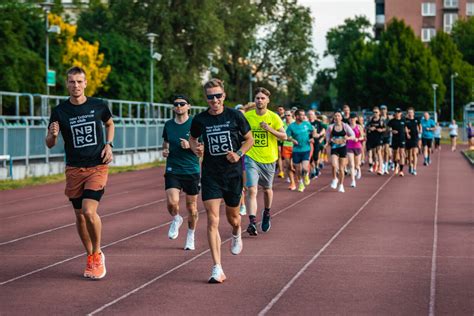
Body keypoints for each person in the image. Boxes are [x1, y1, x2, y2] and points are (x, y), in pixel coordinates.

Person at [45, 66, 114, 280]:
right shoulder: (60, 111)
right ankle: (91, 255)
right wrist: (53, 135)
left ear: (85, 83)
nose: (76, 85)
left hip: (97, 166)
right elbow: (49, 143)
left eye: (79, 81)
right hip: (74, 169)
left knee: (88, 211)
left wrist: (109, 144)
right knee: (79, 217)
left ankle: (99, 252)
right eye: (72, 82)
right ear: (67, 84)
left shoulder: (98, 106)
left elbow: (110, 123)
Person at [189, 78, 253, 284]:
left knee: (233, 219)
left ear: (224, 96)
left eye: (218, 96)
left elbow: (249, 139)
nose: (214, 100)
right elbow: (193, 139)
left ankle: (236, 233)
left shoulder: (235, 116)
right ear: (206, 99)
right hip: (210, 174)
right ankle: (217, 267)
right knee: (212, 219)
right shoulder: (200, 120)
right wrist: (196, 149)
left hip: (233, 174)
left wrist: (239, 153)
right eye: (210, 97)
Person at [244, 87, 287, 236]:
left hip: (269, 159)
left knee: (267, 190)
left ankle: (267, 212)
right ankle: (251, 222)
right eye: (257, 98)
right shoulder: (248, 116)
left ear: (268, 100)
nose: (260, 100)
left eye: (263, 98)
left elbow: (284, 136)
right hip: (252, 157)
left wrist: (269, 129)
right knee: (251, 189)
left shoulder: (274, 117)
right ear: (254, 100)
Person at [162, 95, 200, 250]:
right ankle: (176, 218)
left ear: (188, 106)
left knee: (192, 208)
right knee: (172, 203)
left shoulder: (195, 124)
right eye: (176, 104)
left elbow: (202, 149)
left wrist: (190, 146)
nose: (179, 107)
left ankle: (191, 235)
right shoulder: (168, 125)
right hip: (173, 168)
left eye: (182, 104)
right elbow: (165, 141)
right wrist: (164, 149)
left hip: (191, 169)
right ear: (173, 108)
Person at [286, 109, 316, 192]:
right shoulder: (291, 126)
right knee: (298, 169)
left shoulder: (306, 124)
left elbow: (313, 131)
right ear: (297, 116)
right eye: (301, 115)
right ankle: (301, 183)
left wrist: (312, 138)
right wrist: (292, 140)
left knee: (305, 168)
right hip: (296, 150)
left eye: (304, 114)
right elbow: (287, 137)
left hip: (306, 149)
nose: (303, 116)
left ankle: (306, 175)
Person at [326, 111, 355, 192]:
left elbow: (353, 135)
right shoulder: (330, 127)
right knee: (334, 165)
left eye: (338, 116)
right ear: (334, 118)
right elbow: (327, 138)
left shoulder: (345, 126)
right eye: (335, 116)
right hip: (334, 147)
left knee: (342, 168)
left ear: (341, 118)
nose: (337, 117)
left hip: (343, 147)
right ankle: (334, 179)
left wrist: (347, 138)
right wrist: (329, 141)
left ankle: (341, 185)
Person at [366, 106, 385, 175]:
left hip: (378, 138)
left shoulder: (381, 121)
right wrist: (370, 128)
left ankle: (381, 169)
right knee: (373, 154)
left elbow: (385, 129)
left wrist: (381, 130)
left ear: (379, 113)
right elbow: (366, 127)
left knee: (379, 152)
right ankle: (375, 164)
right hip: (371, 138)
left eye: (376, 112)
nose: (375, 113)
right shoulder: (370, 120)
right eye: (373, 112)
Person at [346, 112, 364, 187]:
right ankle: (353, 181)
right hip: (349, 147)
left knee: (357, 165)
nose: (352, 120)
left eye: (353, 118)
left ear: (356, 119)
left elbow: (362, 137)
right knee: (351, 165)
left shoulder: (359, 127)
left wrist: (358, 139)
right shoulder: (347, 127)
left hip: (357, 146)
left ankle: (358, 170)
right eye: (350, 118)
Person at [387, 108, 406, 176]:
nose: (397, 113)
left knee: (401, 153)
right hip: (395, 139)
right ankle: (395, 166)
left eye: (399, 112)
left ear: (401, 113)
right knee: (395, 154)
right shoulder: (392, 121)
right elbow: (387, 128)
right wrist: (392, 131)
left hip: (402, 139)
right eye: (396, 112)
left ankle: (401, 170)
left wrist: (408, 133)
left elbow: (406, 128)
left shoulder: (404, 120)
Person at [307, 110, 326, 179]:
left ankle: (316, 167)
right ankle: (313, 170)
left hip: (316, 142)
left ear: (314, 115)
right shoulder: (306, 123)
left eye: (311, 114)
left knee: (315, 157)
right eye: (309, 114)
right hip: (308, 142)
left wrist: (319, 134)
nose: (310, 116)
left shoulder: (318, 123)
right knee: (310, 157)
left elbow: (323, 130)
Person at [282, 110, 296, 190]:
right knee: (288, 166)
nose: (287, 117)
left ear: (292, 116)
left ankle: (298, 178)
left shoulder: (295, 124)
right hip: (286, 146)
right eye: (286, 115)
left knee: (295, 165)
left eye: (288, 115)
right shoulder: (282, 124)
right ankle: (292, 183)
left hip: (295, 147)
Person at [405, 107, 421, 175]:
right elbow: (405, 127)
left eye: (411, 112)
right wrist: (407, 133)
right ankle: (410, 166)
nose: (410, 114)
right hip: (408, 138)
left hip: (415, 137)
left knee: (414, 153)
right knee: (409, 154)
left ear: (413, 113)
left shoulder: (416, 119)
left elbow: (420, 126)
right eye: (409, 112)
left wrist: (420, 130)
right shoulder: (406, 120)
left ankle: (414, 169)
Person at [380, 105, 392, 174]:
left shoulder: (389, 118)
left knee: (386, 151)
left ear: (386, 110)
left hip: (387, 135)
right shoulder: (380, 118)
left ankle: (386, 167)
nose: (383, 110)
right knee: (381, 151)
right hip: (380, 136)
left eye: (384, 109)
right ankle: (382, 165)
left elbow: (391, 126)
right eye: (382, 109)